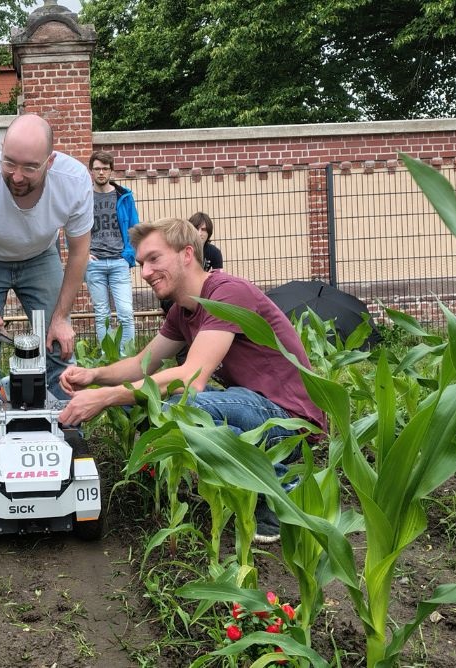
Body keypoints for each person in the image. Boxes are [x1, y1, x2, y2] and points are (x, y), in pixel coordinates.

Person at [57, 217, 325, 542]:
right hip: (251, 407)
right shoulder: (182, 311)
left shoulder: (227, 293)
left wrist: (104, 397)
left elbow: (190, 380)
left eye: (154, 259)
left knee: (180, 406)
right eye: (141, 264)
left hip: (289, 421)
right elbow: (142, 365)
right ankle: (242, 477)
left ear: (186, 254)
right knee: (143, 403)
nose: (145, 272)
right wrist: (94, 376)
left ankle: (282, 486)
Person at [0, 114, 92, 400]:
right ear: (1, 148)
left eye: (30, 167)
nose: (17, 176)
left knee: (59, 343)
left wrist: (60, 317)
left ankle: (67, 420)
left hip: (40, 256)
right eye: (9, 162)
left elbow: (79, 251)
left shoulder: (73, 181)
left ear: (50, 161)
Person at [85, 150, 140, 355]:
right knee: (102, 315)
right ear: (91, 171)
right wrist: (83, 255)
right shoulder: (84, 197)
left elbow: (135, 228)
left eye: (105, 169)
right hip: (94, 263)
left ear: (111, 171)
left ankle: (126, 356)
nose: (101, 172)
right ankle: (107, 356)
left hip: (119, 262)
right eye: (97, 169)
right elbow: (72, 227)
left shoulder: (124, 196)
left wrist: (128, 256)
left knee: (125, 312)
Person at [160, 211, 222, 315]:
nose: (199, 233)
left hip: (201, 293)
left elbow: (218, 280)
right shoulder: (180, 248)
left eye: (203, 229)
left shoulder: (214, 252)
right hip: (178, 292)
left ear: (209, 232)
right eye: (196, 229)